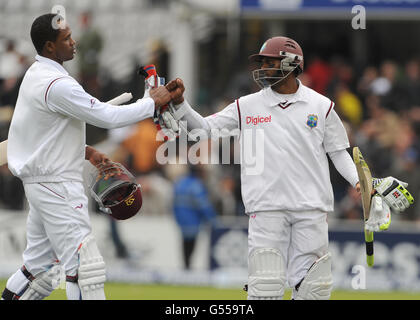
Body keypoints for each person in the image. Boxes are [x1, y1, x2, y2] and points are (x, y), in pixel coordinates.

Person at [162, 36, 414, 300]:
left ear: (293, 63)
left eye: (270, 62)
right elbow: (204, 128)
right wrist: (181, 104)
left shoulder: (321, 106)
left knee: (313, 290)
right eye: (262, 63)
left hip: (311, 208)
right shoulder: (246, 105)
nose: (263, 68)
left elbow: (338, 153)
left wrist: (360, 183)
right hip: (266, 206)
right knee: (265, 287)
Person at [1, 13, 182, 300]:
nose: (74, 43)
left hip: (44, 182)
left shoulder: (37, 75)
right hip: (57, 184)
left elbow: (48, 133)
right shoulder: (56, 84)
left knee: (39, 269)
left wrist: (87, 152)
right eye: (66, 39)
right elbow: (106, 116)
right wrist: (150, 103)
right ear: (49, 47)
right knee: (85, 267)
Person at [173, 163, 217, 269]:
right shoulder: (196, 186)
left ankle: (186, 267)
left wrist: (177, 219)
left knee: (185, 246)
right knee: (191, 246)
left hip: (182, 222)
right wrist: (213, 220)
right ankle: (188, 268)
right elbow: (204, 205)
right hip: (193, 222)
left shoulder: (180, 183)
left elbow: (174, 205)